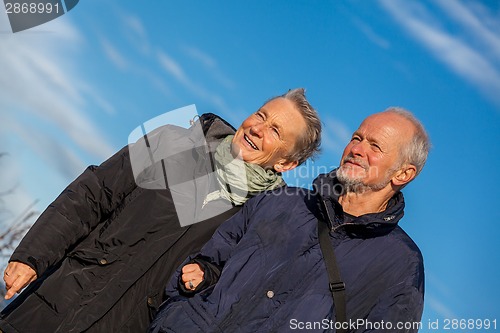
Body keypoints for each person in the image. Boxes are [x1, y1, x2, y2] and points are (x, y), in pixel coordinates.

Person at [0, 88, 322, 333]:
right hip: (53, 303)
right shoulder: (174, 141)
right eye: (261, 115)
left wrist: (205, 277)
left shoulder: (260, 221)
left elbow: (229, 289)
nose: (256, 128)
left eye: (276, 131)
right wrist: (34, 255)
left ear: (286, 163)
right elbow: (93, 193)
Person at [149, 107, 430, 333]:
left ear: (403, 174)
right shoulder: (281, 200)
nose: (357, 149)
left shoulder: (402, 264)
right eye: (357, 138)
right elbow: (209, 259)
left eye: (375, 146)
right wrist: (197, 280)